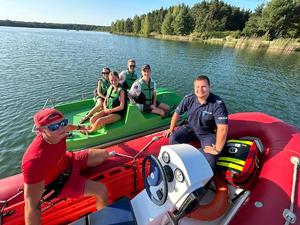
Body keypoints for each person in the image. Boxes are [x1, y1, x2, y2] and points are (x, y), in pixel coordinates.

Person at [22, 108, 112, 225]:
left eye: (62, 123)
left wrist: (80, 127)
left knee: (104, 154)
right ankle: (106, 220)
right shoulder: (34, 161)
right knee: (101, 190)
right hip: (59, 182)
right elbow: (31, 206)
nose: (61, 129)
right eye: (53, 127)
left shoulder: (60, 131)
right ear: (41, 130)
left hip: (68, 160)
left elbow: (67, 127)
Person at [165, 75, 228, 168]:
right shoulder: (189, 98)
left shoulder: (217, 103)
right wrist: (171, 129)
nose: (200, 89)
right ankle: (183, 163)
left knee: (212, 156)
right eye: (197, 87)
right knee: (173, 139)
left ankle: (205, 179)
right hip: (190, 128)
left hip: (206, 133)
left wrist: (218, 149)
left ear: (209, 87)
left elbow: (223, 128)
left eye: (203, 86)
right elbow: (176, 113)